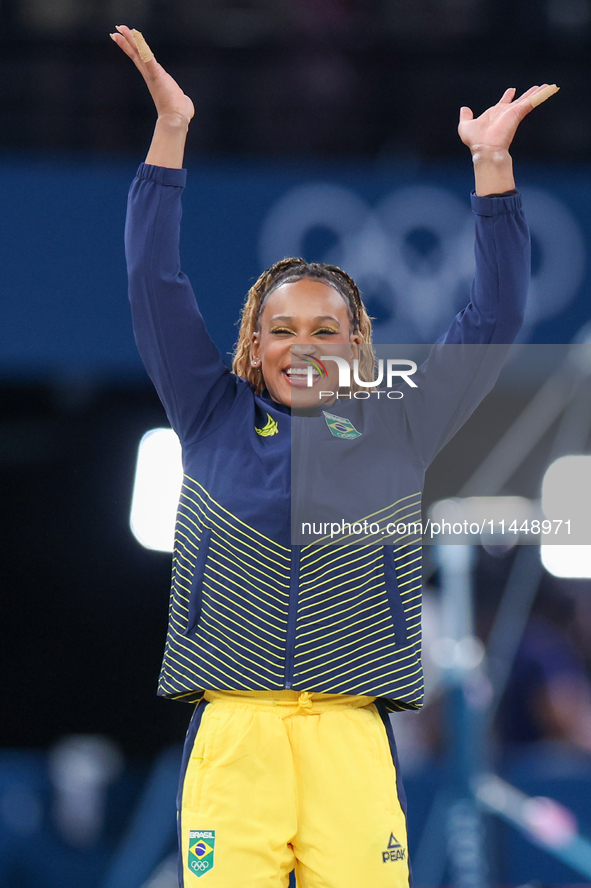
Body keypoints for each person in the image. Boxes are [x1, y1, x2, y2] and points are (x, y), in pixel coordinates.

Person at [111, 23, 555, 888]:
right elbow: (150, 280)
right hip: (235, 738)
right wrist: (171, 132)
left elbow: (493, 319)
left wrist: (491, 171)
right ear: (251, 344)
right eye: (281, 329)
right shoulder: (206, 411)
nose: (302, 345)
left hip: (351, 736)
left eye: (325, 329)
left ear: (358, 346)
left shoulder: (399, 423)